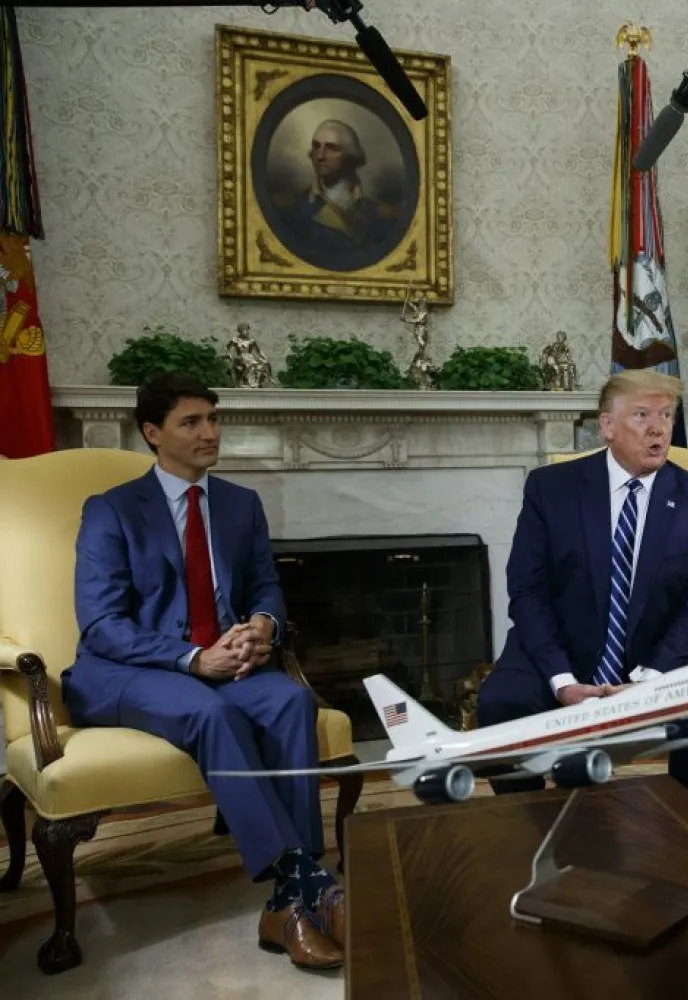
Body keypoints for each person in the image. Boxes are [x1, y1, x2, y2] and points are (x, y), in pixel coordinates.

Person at [61, 372, 344, 970]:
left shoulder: (240, 505)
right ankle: (310, 886)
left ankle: (287, 901)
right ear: (152, 433)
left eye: (214, 419)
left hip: (223, 660)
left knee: (292, 703)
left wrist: (261, 627)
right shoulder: (112, 511)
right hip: (125, 670)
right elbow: (101, 624)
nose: (210, 432)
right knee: (207, 711)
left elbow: (266, 585)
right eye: (191, 422)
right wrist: (194, 658)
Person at [476, 369, 688, 804]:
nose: (658, 428)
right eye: (642, 414)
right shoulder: (550, 488)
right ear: (607, 426)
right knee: (502, 703)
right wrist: (561, 679)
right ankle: (528, 818)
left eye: (666, 415)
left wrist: (653, 677)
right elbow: (527, 590)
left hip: (657, 646)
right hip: (564, 645)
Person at [276, 119, 399, 267]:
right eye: (316, 146)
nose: (320, 156)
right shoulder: (290, 208)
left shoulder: (383, 214)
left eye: (331, 148)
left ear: (350, 156)